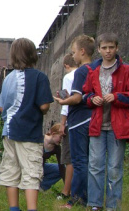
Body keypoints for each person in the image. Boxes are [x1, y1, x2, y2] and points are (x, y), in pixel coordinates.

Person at [83, 33, 129, 211]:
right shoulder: (93, 70)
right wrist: (92, 99)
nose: (108, 51)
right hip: (97, 125)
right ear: (99, 50)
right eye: (104, 48)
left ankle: (113, 206)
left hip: (119, 127)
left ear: (117, 48)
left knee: (115, 168)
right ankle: (95, 205)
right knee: (95, 166)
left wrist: (117, 97)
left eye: (111, 47)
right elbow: (85, 94)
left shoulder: (126, 70)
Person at [0, 38, 54, 211]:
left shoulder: (8, 78)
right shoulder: (39, 77)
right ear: (32, 54)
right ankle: (31, 208)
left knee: (11, 170)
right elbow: (44, 105)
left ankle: (14, 208)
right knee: (31, 171)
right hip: (29, 131)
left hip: (9, 130)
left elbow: (1, 107)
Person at [55, 34, 96, 208]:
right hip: (92, 118)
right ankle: (90, 197)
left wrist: (63, 101)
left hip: (78, 120)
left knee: (78, 161)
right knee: (90, 161)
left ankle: (77, 198)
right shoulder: (96, 69)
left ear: (82, 51)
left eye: (74, 52)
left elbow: (77, 98)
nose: (73, 56)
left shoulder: (80, 71)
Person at [57, 53, 78, 200]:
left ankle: (66, 191)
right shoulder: (85, 72)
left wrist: (62, 124)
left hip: (72, 121)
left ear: (66, 66)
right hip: (85, 121)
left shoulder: (68, 77)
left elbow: (66, 103)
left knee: (69, 158)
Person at [41, 123, 65, 192]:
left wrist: (66, 187)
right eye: (60, 137)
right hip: (32, 166)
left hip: (42, 167)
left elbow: (61, 167)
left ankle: (42, 186)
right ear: (53, 134)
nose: (61, 140)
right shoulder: (40, 139)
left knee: (58, 169)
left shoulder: (57, 148)